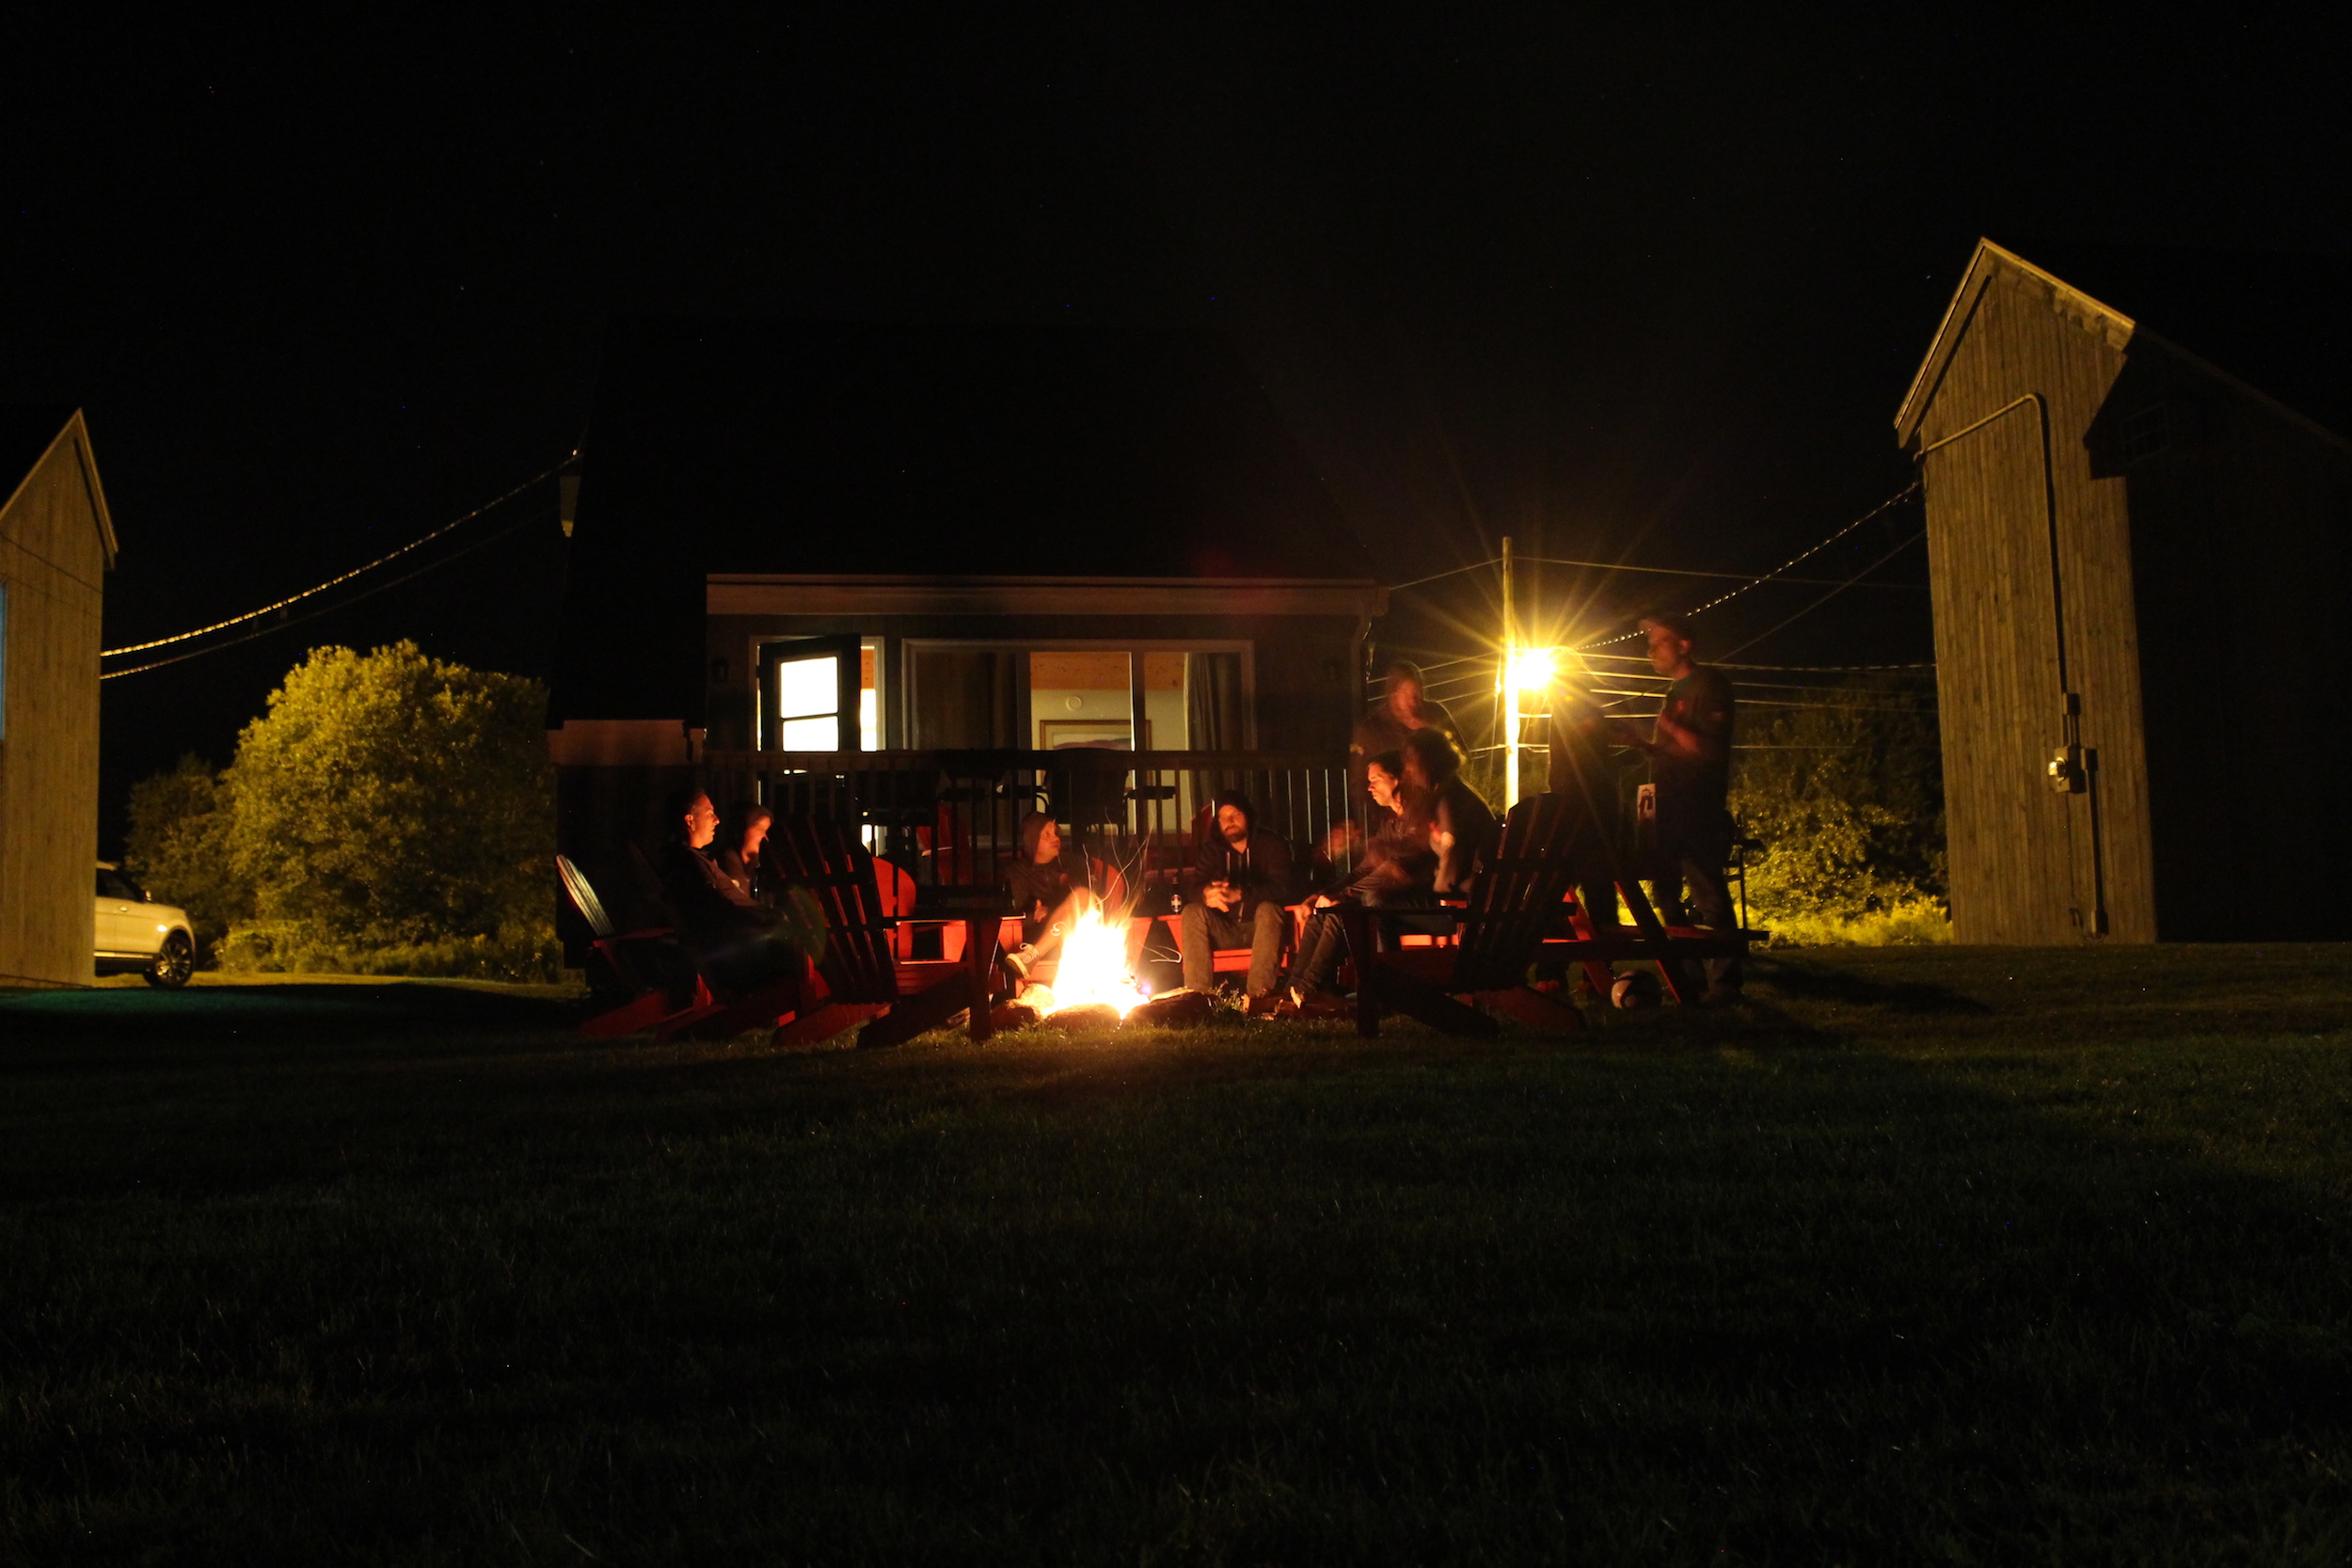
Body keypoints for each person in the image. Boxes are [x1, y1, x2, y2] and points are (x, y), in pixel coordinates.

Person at [1617, 613, 1740, 1002]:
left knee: (1708, 895)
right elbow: (1675, 750)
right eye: (1649, 642)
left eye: (1659, 641)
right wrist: (1645, 746)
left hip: (1697, 808)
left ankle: (1725, 984)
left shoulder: (1709, 685)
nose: (1650, 649)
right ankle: (1689, 981)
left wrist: (1668, 729)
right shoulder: (1673, 693)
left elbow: (1708, 750)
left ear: (1684, 645)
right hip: (1667, 809)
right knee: (1666, 896)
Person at [1284, 751, 1439, 1009]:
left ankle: (1308, 989)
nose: (1370, 787)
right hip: (1387, 901)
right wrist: (1325, 893)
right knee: (1321, 914)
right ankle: (1292, 987)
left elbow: (1396, 869)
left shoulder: (1418, 815)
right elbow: (1365, 869)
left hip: (1423, 903)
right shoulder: (1391, 822)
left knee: (1340, 912)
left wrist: (1344, 896)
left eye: (1376, 779)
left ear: (1397, 779)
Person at [653, 786, 807, 993]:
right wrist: (775, 920)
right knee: (810, 948)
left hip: (734, 954)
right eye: (710, 815)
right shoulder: (690, 865)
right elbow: (724, 909)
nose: (717, 820)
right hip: (739, 966)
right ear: (690, 821)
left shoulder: (690, 861)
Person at [1178, 790, 1295, 1003]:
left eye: (1235, 815)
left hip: (1262, 929)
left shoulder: (1272, 844)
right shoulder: (1213, 850)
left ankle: (1258, 998)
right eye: (1223, 818)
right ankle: (1197, 999)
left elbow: (1285, 889)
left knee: (1269, 909)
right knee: (1192, 911)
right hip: (1225, 929)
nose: (1229, 822)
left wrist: (1241, 894)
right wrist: (1207, 894)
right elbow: (1193, 889)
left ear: (1248, 816)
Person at [1001, 811, 1142, 981]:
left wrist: (1057, 901)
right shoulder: (1017, 872)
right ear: (1031, 840)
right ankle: (1033, 953)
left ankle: (1034, 954)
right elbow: (1011, 916)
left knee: (1083, 897)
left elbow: (1090, 897)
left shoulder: (1073, 863)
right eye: (1046, 834)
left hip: (1080, 933)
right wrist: (1034, 916)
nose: (1055, 838)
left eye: (1056, 833)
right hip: (1038, 935)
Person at [1349, 660, 1458, 820]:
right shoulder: (1371, 729)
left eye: (1416, 693)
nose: (1413, 700)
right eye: (1406, 694)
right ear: (1393, 694)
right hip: (1394, 817)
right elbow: (1358, 782)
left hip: (1438, 807)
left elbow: (1460, 755)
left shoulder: (1435, 715)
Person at [713, 801, 775, 906]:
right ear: (739, 831)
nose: (765, 837)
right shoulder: (723, 870)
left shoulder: (764, 873)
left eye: (768, 831)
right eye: (759, 829)